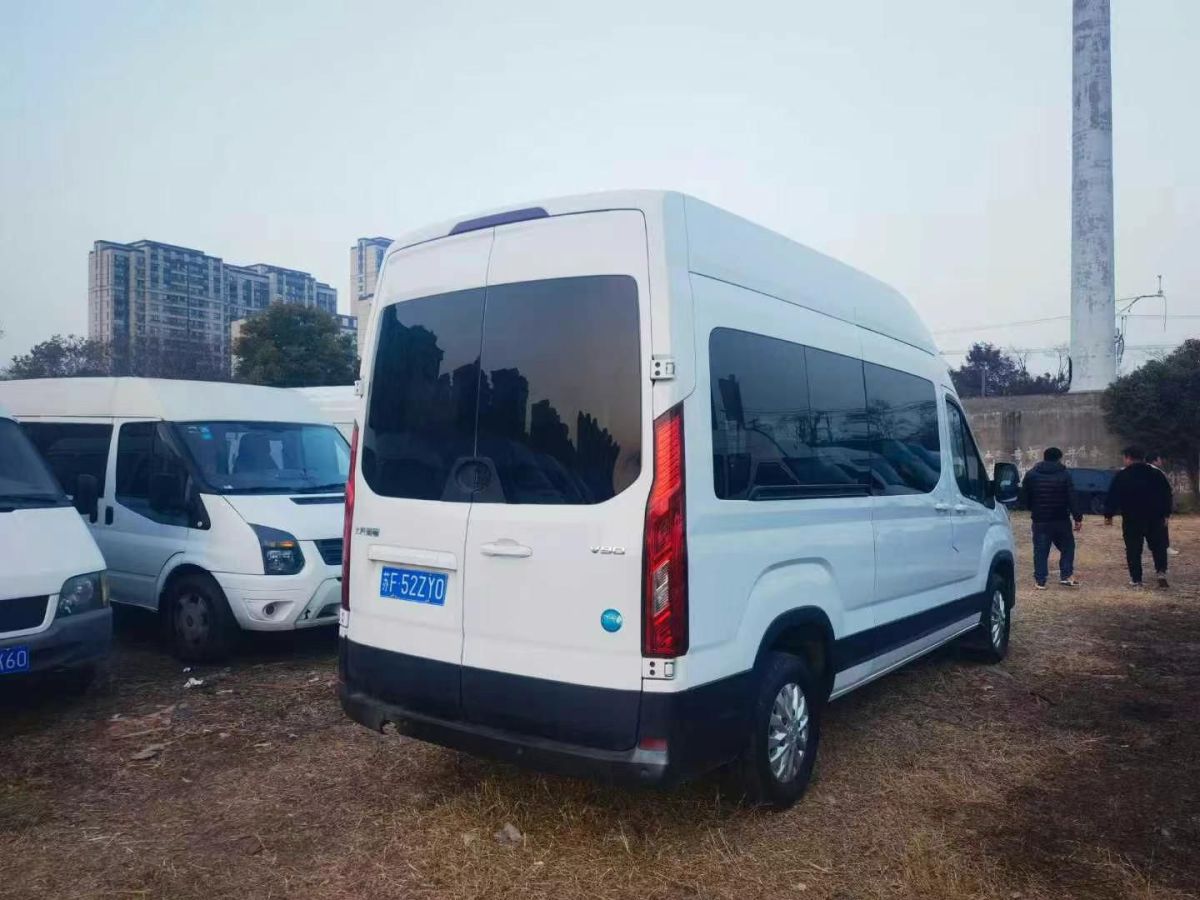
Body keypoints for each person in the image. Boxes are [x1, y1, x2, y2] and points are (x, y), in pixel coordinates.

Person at [1105, 446, 1174, 588]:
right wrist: (1166, 513)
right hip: (1155, 516)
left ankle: (1136, 579)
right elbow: (1166, 494)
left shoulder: (1123, 475)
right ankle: (1161, 571)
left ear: (1128, 457)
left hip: (1132, 517)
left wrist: (1109, 514)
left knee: (1133, 548)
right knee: (1158, 546)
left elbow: (1113, 495)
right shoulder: (1156, 473)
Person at [1020, 447, 1083, 589]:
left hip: (1040, 519)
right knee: (1067, 547)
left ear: (1044, 457)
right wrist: (1077, 517)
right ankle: (1066, 575)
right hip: (1061, 518)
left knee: (1040, 550)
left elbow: (1024, 497)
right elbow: (1072, 498)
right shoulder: (1065, 474)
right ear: (1059, 458)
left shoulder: (1031, 474)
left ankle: (1040, 581)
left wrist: (1033, 508)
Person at [1147, 452, 1180, 557]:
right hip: (1157, 505)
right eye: (1160, 459)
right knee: (1161, 527)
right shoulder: (1157, 472)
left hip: (1145, 506)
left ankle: (1153, 547)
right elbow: (1165, 491)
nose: (1161, 461)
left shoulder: (1142, 471)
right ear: (1155, 460)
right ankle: (1165, 547)